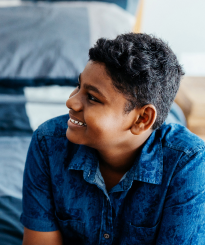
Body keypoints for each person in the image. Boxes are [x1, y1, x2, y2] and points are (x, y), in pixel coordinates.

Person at [21, 33, 205, 244]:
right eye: (78, 86)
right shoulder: (48, 142)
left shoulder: (189, 163)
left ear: (142, 119)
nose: (71, 102)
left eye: (92, 97)